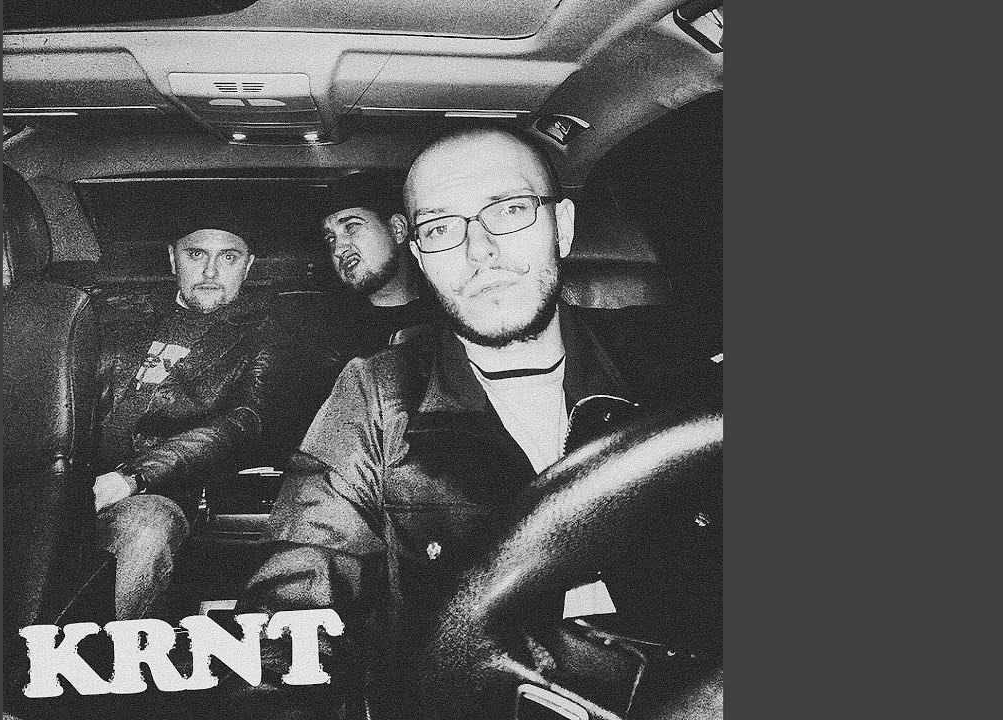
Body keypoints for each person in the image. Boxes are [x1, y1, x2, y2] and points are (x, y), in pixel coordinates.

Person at [231, 127, 721, 717]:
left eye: (510, 211)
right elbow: (295, 607)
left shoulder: (673, 368)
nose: (479, 251)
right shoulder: (378, 393)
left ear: (562, 227)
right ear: (419, 255)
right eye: (441, 228)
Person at [91, 208, 284, 620]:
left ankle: (106, 655)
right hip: (59, 479)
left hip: (151, 493)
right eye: (196, 254)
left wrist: (132, 477)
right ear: (172, 258)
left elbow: (242, 422)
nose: (211, 271)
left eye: (228, 257)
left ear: (247, 266)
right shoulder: (112, 316)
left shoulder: (261, 336)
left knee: (147, 528)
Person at [319, 175, 439, 356]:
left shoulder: (450, 316)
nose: (338, 249)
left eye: (351, 227)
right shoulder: (327, 339)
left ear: (398, 229)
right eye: (330, 238)